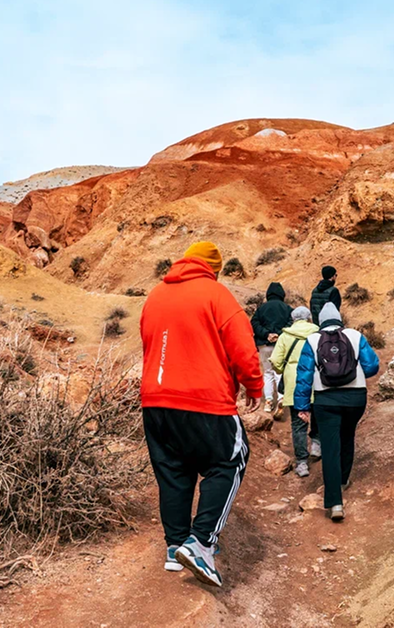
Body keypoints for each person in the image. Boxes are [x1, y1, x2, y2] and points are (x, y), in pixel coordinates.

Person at [140, 241, 263, 588]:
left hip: (155, 401)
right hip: (204, 400)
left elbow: (151, 344)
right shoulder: (216, 294)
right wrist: (253, 385)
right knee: (230, 461)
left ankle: (175, 546)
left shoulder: (154, 296)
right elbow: (243, 345)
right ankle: (201, 543)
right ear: (214, 268)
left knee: (172, 471)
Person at [293, 302, 379, 522]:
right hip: (355, 397)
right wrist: (352, 371)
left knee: (330, 447)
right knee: (347, 435)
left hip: (325, 399)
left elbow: (303, 376)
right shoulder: (355, 336)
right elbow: (372, 366)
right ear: (339, 319)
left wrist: (302, 406)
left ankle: (335, 503)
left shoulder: (312, 340)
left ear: (320, 322)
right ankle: (343, 479)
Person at [270, 306, 322, 478]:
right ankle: (316, 443)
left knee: (298, 423)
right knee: (316, 413)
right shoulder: (318, 334)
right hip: (316, 379)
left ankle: (301, 463)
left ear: (293, 319)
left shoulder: (285, 336)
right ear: (309, 318)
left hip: (294, 382)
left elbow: (276, 361)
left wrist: (283, 370)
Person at [250, 282, 292, 413]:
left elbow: (254, 323)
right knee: (279, 371)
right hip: (281, 345)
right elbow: (291, 323)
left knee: (267, 372)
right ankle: (281, 398)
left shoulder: (261, 308)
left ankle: (268, 401)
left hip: (264, 345)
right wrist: (279, 334)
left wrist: (266, 334)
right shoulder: (287, 308)